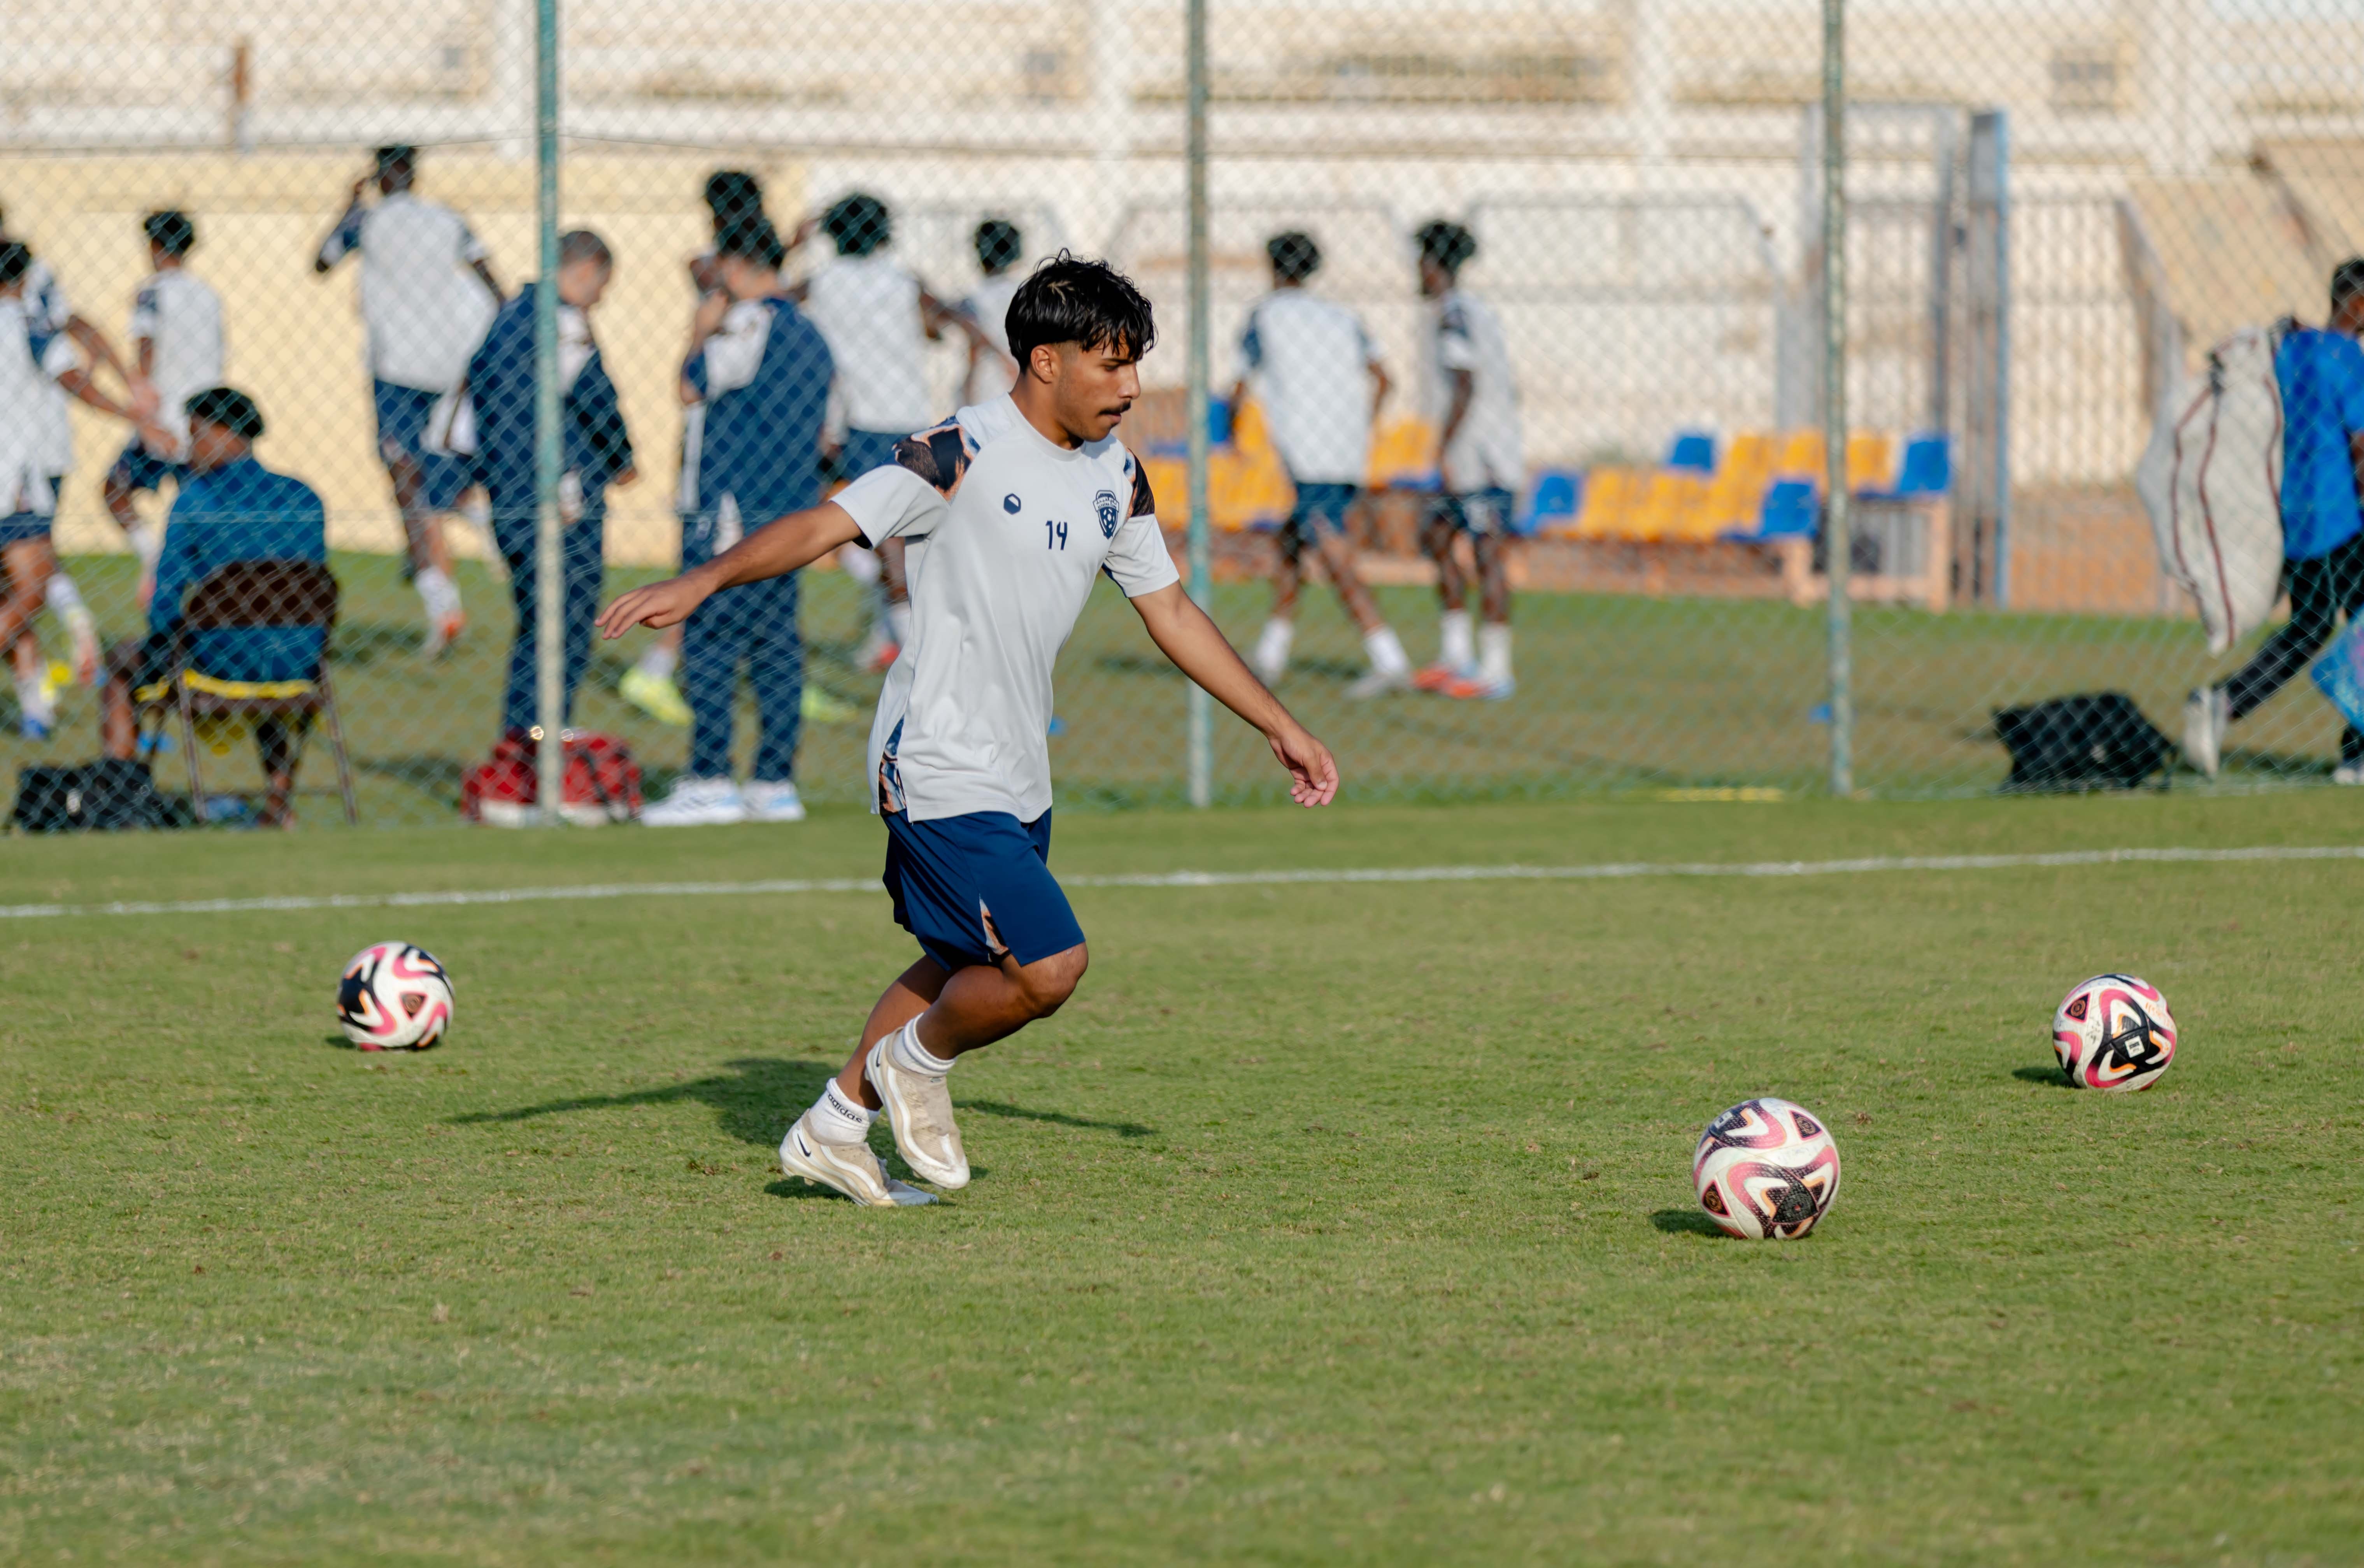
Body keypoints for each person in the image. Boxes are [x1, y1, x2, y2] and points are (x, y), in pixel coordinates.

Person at [596, 254, 1339, 1207]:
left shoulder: (1118, 474)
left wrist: (1279, 723)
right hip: (936, 760)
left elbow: (1174, 612)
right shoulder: (958, 450)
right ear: (1042, 361)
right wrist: (699, 581)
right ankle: (917, 1061)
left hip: (1019, 767)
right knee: (1048, 965)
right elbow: (829, 522)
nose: (1132, 386)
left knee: (959, 962)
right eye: (1109, 365)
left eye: (1134, 363)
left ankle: (832, 1125)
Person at [640, 216, 834, 827]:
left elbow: (692, 385)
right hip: (792, 507)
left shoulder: (749, 326)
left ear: (736, 265)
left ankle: (710, 775)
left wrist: (698, 335)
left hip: (733, 507)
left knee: (713, 637)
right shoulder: (816, 335)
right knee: (777, 643)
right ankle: (774, 780)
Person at [97, 387, 329, 828]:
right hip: (295, 666)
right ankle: (279, 805)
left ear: (228, 434)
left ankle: (120, 802)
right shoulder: (304, 498)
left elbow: (165, 602)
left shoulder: (197, 500)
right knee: (262, 646)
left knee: (121, 663)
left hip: (213, 666)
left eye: (198, 436)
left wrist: (164, 643)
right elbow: (314, 584)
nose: (190, 450)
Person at [789, 192, 992, 670]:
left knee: (855, 534)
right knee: (896, 540)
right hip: (908, 419)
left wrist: (791, 246)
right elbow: (945, 323)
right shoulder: (904, 282)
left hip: (853, 420)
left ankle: (916, 654)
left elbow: (771, 298)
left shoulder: (821, 283)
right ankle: (900, 633)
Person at [314, 144, 503, 658]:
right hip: (450, 367)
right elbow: (492, 282)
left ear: (379, 177)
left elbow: (322, 261)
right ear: (415, 176)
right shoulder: (448, 220)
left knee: (406, 484)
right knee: (440, 483)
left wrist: (348, 207)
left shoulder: (368, 223)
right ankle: (476, 555)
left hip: (396, 369)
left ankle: (441, 599)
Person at [2185, 258, 2364, 782]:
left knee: (2310, 628)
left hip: (2294, 513)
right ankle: (2357, 752)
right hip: (2344, 517)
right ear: (2357, 304)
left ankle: (2225, 702)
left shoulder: (2289, 351)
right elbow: (2360, 446)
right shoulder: (2347, 357)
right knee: (2354, 629)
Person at [465, 230, 635, 742]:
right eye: (601, 285)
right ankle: (545, 740)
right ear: (584, 270)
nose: (601, 298)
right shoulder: (562, 322)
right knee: (567, 624)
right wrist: (623, 457)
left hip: (509, 494)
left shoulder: (506, 318)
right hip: (562, 499)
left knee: (537, 625)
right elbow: (594, 395)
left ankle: (521, 741)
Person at [1231, 231, 1412, 698]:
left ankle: (1387, 656)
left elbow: (1237, 383)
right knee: (1291, 542)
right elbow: (1384, 380)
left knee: (1333, 552)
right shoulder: (1343, 317)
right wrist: (1359, 427)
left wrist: (1230, 434)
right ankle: (1271, 653)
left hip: (1306, 452)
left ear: (1271, 268)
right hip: (1346, 449)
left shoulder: (1265, 315)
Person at [621, 170, 768, 729]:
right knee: (705, 563)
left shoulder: (729, 271)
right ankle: (656, 667)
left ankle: (764, 673)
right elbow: (722, 289)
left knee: (754, 557)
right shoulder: (712, 268)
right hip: (714, 440)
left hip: (748, 434)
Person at [0, 240, 141, 738]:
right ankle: (83, 634)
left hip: (18, 471)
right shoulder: (28, 324)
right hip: (17, 478)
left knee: (13, 592)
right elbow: (72, 374)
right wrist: (128, 408)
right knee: (30, 594)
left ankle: (37, 711)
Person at [1408, 220, 1524, 701]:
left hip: (1482, 455)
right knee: (1436, 535)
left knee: (1485, 552)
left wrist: (1444, 446)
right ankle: (1457, 653)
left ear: (1434, 265)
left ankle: (1496, 670)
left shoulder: (1454, 314)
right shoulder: (1466, 311)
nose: (1415, 270)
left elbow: (1465, 382)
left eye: (1419, 261)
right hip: (1475, 450)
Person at [103, 210, 226, 605]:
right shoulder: (208, 295)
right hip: (206, 423)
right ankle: (195, 586)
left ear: (155, 247)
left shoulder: (152, 292)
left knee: (114, 490)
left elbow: (146, 345)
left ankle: (154, 558)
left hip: (165, 418)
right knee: (195, 511)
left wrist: (140, 397)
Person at [959, 217, 1027, 407]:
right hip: (1024, 384)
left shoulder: (974, 297)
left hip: (986, 386)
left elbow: (974, 348)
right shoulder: (1028, 293)